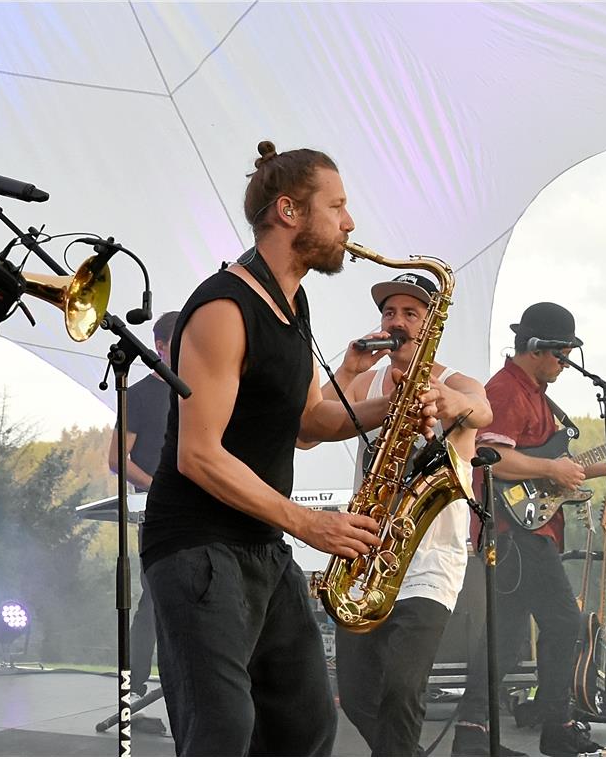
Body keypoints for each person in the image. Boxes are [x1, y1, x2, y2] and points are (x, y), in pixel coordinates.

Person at [140, 140, 440, 756]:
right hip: (198, 547)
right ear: (289, 211)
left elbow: (306, 423)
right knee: (221, 733)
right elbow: (197, 454)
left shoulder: (293, 302)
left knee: (304, 724)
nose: (350, 223)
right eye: (338, 206)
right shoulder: (225, 306)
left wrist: (398, 405)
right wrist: (310, 524)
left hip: (259, 544)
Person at [450, 302, 606, 757]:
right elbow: (488, 456)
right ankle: (557, 725)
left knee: (506, 637)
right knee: (563, 622)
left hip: (526, 530)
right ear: (536, 349)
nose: (565, 363)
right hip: (518, 534)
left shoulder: (533, 392)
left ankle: (474, 733)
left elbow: (547, 475)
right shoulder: (506, 390)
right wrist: (551, 468)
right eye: (561, 354)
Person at [329, 273, 492, 756]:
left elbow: (481, 411)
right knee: (357, 695)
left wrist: (448, 401)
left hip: (429, 562)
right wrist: (347, 368)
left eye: (410, 313)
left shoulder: (455, 382)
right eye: (389, 312)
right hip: (368, 555)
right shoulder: (367, 383)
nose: (396, 321)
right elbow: (310, 428)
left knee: (401, 688)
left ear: (430, 326)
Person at [105, 309, 179, 734]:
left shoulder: (196, 389)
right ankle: (132, 695)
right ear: (160, 346)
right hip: (155, 511)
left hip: (196, 511)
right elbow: (117, 459)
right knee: (153, 600)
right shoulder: (140, 394)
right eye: (176, 342)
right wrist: (157, 488)